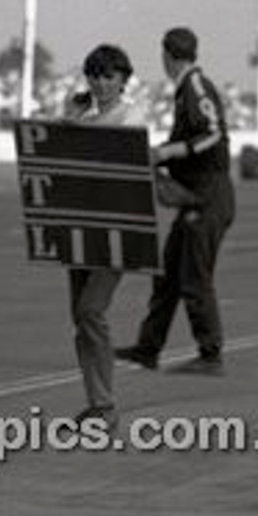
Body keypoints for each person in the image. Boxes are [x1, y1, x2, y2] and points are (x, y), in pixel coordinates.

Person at [115, 26, 236, 376]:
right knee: (168, 274)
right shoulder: (186, 90)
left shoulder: (195, 87)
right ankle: (147, 348)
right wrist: (158, 158)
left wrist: (166, 152)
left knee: (195, 278)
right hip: (198, 195)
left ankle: (210, 354)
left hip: (209, 195)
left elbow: (213, 134)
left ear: (167, 56)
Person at [60, 45, 149, 431]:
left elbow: (113, 143)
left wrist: (73, 124)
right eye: (94, 76)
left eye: (109, 76)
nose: (100, 83)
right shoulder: (85, 115)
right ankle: (97, 402)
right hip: (82, 225)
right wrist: (70, 118)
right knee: (80, 315)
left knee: (90, 310)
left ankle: (106, 404)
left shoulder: (132, 114)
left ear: (123, 80)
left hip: (117, 229)